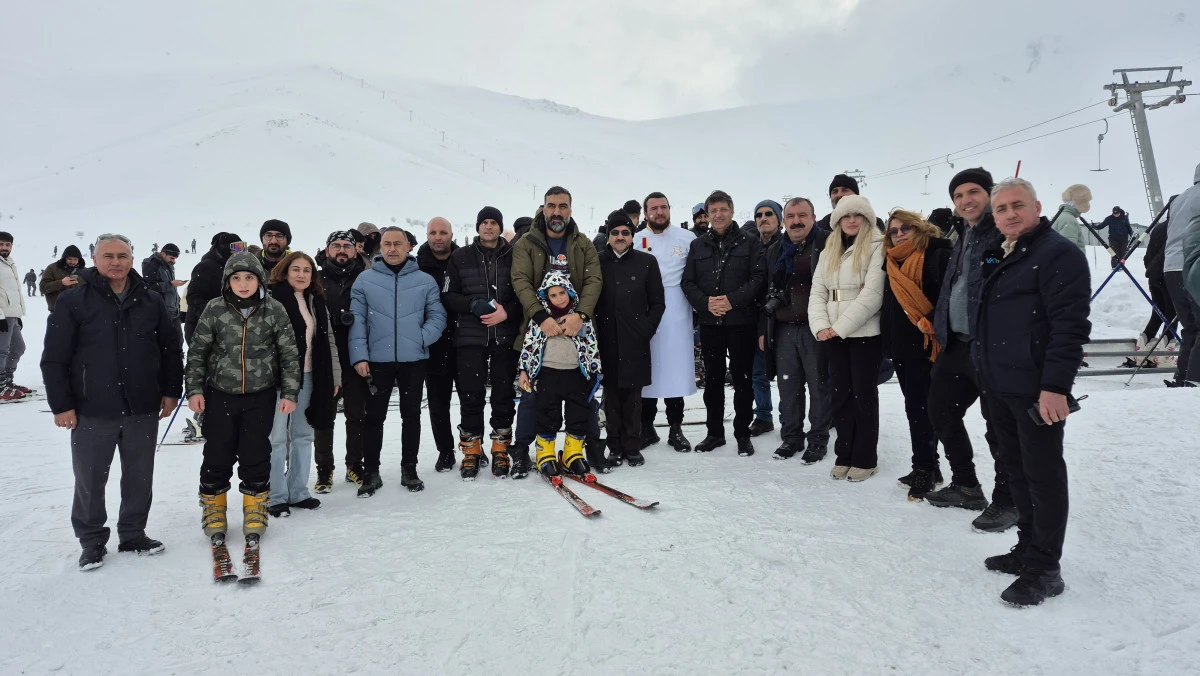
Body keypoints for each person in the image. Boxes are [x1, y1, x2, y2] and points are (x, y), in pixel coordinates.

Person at [974, 177, 1091, 606]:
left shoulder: (1059, 254)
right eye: (1001, 209)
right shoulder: (1002, 253)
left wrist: (1056, 387)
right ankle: (1027, 547)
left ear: (1038, 207)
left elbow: (1070, 327)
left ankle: (1045, 569)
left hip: (1036, 391)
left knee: (1043, 476)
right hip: (1000, 385)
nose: (1009, 214)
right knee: (1017, 472)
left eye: (1017, 206)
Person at [41, 234, 183, 571]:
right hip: (93, 407)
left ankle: (133, 533)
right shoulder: (74, 300)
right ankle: (91, 540)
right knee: (90, 479)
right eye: (108, 255)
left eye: (122, 255)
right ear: (94, 257)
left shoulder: (150, 300)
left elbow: (170, 349)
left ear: (132, 259)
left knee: (139, 475)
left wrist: (170, 390)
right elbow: (55, 357)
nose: (115, 262)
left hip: (142, 405)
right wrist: (61, 405)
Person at [187, 251, 299, 554]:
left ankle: (255, 509)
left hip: (260, 396)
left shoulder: (273, 310)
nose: (243, 283)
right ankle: (214, 510)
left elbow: (289, 354)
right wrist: (194, 389)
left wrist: (289, 393)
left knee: (255, 454)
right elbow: (197, 353)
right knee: (217, 455)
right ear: (228, 281)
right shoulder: (214, 309)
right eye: (236, 278)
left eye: (249, 277)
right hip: (220, 394)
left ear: (259, 280)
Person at [925, 168, 1018, 532]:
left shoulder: (1003, 233)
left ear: (989, 194)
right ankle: (966, 485)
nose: (966, 200)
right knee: (940, 410)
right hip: (957, 344)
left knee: (999, 427)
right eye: (958, 195)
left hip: (991, 347)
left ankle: (1008, 500)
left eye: (973, 192)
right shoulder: (963, 234)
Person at [510, 187, 603, 478]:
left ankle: (582, 449)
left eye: (563, 206)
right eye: (551, 206)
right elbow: (521, 280)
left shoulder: (582, 243)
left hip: (577, 333)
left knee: (582, 398)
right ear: (544, 208)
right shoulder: (527, 243)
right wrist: (540, 316)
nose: (557, 212)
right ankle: (525, 451)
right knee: (533, 399)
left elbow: (593, 280)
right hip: (538, 333)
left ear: (570, 209)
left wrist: (581, 314)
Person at [348, 227, 446, 496]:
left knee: (411, 415)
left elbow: (437, 316)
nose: (392, 249)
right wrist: (360, 356)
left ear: (408, 247)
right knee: (374, 418)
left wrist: (420, 338)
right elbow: (357, 321)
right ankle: (371, 472)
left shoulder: (425, 281)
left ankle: (409, 468)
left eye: (398, 244)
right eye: (387, 244)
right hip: (377, 361)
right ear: (380, 246)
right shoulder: (364, 280)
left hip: (413, 359)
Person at [681, 190, 767, 456]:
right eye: (713, 210)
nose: (718, 215)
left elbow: (758, 277)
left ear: (731, 211)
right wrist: (706, 302)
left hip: (742, 321)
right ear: (707, 214)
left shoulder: (749, 242)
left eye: (723, 210)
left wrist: (732, 300)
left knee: (742, 381)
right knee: (714, 381)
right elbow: (688, 282)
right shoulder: (698, 245)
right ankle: (715, 433)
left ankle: (742, 433)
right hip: (710, 323)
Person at [441, 207, 523, 479]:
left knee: (503, 395)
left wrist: (507, 311)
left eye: (493, 222)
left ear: (500, 227)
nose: (488, 227)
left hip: (505, 337)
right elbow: (448, 296)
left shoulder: (515, 255)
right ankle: (471, 450)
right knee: (470, 395)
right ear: (478, 227)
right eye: (484, 222)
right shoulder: (460, 257)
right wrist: (472, 304)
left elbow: (526, 292)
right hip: (469, 338)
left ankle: (501, 448)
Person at [809, 195, 886, 481]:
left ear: (867, 219)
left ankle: (866, 457)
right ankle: (845, 453)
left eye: (858, 215)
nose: (851, 221)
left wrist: (837, 328)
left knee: (863, 396)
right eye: (846, 216)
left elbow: (872, 295)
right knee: (840, 396)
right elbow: (818, 291)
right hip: (832, 334)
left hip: (864, 333)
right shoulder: (830, 250)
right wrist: (820, 326)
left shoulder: (878, 246)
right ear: (838, 221)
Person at [881, 210, 952, 499]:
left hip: (927, 344)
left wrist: (933, 318)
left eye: (905, 228)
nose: (899, 234)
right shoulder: (890, 260)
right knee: (915, 408)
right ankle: (926, 465)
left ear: (920, 227)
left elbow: (950, 297)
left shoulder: (937, 253)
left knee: (923, 410)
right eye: (893, 231)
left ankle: (926, 469)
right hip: (901, 345)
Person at [266, 252, 341, 517]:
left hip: (311, 376)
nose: (301, 275)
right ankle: (275, 496)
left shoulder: (316, 300)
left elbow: (328, 339)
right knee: (276, 438)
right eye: (295, 269)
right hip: (279, 379)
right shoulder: (272, 299)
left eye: (306, 270)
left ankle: (297, 491)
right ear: (285, 272)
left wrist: (334, 376)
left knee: (303, 435)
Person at [761, 197, 831, 463]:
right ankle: (791, 438)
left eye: (802, 215)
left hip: (817, 328)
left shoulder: (826, 243)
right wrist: (762, 330)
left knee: (819, 386)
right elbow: (765, 291)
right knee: (788, 387)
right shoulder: (776, 250)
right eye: (790, 216)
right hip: (783, 328)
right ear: (784, 220)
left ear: (813, 217)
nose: (796, 221)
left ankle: (818, 439)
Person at [596, 213, 665, 468]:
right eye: (615, 233)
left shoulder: (647, 262)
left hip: (636, 339)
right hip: (606, 337)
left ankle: (632, 446)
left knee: (634, 397)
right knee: (612, 396)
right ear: (609, 236)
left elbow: (657, 302)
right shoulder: (598, 261)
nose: (620, 237)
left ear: (632, 236)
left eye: (625, 233)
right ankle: (614, 446)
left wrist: (645, 329)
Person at [517, 272, 602, 477]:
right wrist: (524, 370)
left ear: (570, 292)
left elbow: (592, 344)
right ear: (546, 298)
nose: (559, 299)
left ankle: (573, 453)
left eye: (562, 293)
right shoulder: (540, 320)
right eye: (553, 295)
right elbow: (528, 345)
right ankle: (545, 453)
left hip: (576, 374)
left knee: (578, 414)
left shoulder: (580, 318)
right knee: (547, 414)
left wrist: (595, 371)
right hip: (547, 374)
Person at [637, 192, 698, 453]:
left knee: (675, 370)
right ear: (645, 212)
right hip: (645, 308)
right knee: (647, 369)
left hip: (677, 310)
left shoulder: (687, 238)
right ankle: (646, 428)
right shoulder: (636, 239)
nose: (659, 212)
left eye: (663, 207)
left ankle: (676, 428)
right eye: (654, 208)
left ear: (669, 209)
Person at [313, 231, 369, 491]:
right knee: (324, 417)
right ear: (327, 251)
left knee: (356, 415)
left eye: (347, 246)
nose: (341, 250)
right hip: (324, 357)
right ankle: (324, 470)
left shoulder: (365, 277)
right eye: (336, 246)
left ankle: (354, 465)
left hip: (356, 356)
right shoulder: (315, 279)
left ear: (356, 250)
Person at [182, 232, 243, 442]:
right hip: (202, 329)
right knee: (210, 372)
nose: (236, 251)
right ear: (219, 246)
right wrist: (216, 316)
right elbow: (193, 298)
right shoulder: (206, 266)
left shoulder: (234, 266)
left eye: (240, 247)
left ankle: (218, 415)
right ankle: (203, 416)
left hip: (227, 331)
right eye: (233, 247)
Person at [416, 217, 461, 473]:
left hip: (464, 338)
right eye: (433, 232)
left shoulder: (463, 260)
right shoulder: (418, 265)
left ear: (451, 234)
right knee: (438, 401)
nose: (438, 237)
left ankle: (472, 447)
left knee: (470, 399)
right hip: (433, 344)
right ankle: (445, 450)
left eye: (443, 232)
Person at [748, 199, 784, 436]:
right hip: (754, 318)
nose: (763, 218)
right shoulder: (750, 246)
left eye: (769, 213)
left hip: (781, 318)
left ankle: (790, 418)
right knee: (757, 373)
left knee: (787, 375)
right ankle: (763, 416)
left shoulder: (787, 244)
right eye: (759, 214)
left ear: (779, 219)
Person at [1165, 163, 1200, 386]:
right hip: (1193, 266)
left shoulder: (1179, 199)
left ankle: (1182, 376)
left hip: (1171, 267)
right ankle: (1194, 380)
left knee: (1190, 327)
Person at [0, 232, 29, 401]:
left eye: (8, 245)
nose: (5, 247)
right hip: (2, 315)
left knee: (18, 348)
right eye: (2, 244)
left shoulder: (9, 262)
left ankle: (7, 381)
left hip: (12, 314)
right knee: (1, 351)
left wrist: (17, 315)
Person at [141, 243, 185, 321]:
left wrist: (176, 297)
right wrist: (171, 284)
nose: (173, 261)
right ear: (163, 254)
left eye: (174, 259)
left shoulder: (168, 264)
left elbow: (168, 283)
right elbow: (150, 287)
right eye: (171, 258)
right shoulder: (151, 265)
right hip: (160, 313)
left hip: (173, 311)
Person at [40, 245, 86, 311]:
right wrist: (61, 283)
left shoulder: (84, 271)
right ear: (64, 258)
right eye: (70, 259)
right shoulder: (52, 268)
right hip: (58, 311)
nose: (72, 262)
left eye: (75, 259)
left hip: (80, 311)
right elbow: (43, 288)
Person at [1048, 184, 1092, 254]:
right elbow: (1068, 252)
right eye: (1085, 201)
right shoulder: (1068, 220)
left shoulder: (1063, 216)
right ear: (1079, 201)